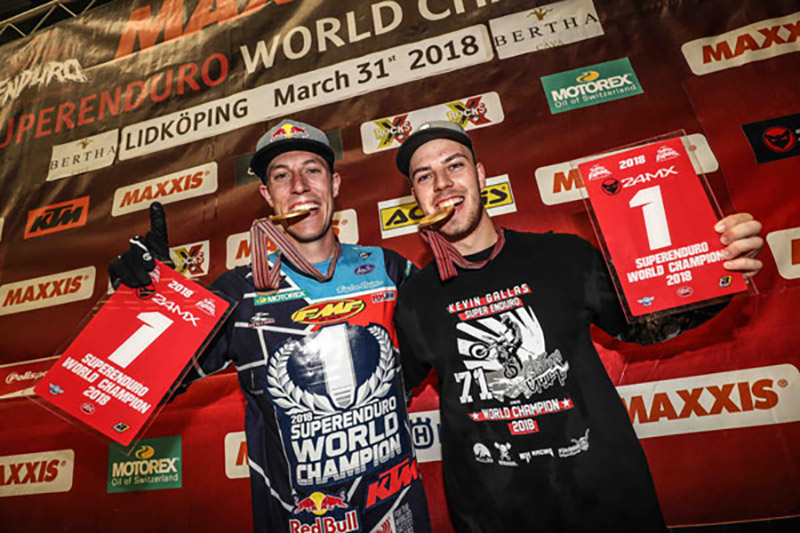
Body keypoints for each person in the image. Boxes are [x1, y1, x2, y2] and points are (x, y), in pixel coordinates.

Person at [391, 121, 764, 532]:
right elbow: (390, 392)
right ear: (417, 198)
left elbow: (646, 325)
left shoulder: (563, 256)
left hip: (605, 504)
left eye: (454, 165)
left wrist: (716, 271)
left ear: (480, 175)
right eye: (424, 176)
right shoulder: (415, 298)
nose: (442, 183)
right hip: (493, 515)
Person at [110, 119, 431, 533]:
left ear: (334, 184)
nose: (299, 186)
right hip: (298, 522)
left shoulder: (389, 269)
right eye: (281, 176)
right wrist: (146, 301)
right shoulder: (237, 292)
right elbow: (142, 383)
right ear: (267, 195)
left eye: (312, 170)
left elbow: (441, 349)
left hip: (398, 514)